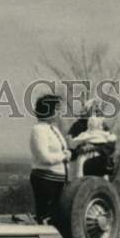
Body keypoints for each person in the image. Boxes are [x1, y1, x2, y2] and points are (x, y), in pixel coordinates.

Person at [29, 93, 72, 222]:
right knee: (46, 218)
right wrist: (64, 155)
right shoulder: (38, 130)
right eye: (57, 108)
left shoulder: (53, 128)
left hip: (59, 181)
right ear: (49, 110)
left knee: (57, 219)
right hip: (45, 181)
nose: (59, 112)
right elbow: (44, 158)